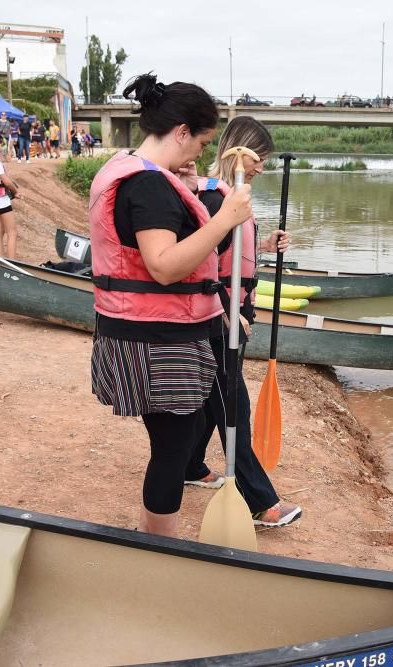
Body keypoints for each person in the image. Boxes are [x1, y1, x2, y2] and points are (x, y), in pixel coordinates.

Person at [89, 73, 252, 538]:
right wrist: (225, 219)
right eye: (200, 141)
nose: (200, 151)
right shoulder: (148, 186)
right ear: (181, 131)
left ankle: (157, 533)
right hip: (153, 339)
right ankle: (159, 541)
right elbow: (162, 266)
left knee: (181, 433)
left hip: (146, 330)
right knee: (174, 442)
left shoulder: (139, 173)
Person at [184, 116, 301, 528]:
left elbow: (234, 258)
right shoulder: (217, 201)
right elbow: (199, 264)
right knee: (232, 404)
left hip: (236, 316)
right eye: (259, 158)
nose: (262, 168)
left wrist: (265, 246)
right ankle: (260, 500)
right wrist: (228, 310)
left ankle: (190, 465)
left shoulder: (236, 200)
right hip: (218, 320)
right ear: (239, 151)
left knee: (209, 396)